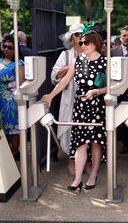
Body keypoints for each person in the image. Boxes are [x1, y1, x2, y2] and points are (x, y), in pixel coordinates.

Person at [42, 22, 107, 193]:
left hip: (97, 106)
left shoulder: (105, 61)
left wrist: (96, 91)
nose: (82, 45)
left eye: (86, 42)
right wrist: (50, 96)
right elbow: (64, 81)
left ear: (95, 43)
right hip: (80, 106)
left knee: (95, 143)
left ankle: (93, 174)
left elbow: (113, 87)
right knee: (80, 144)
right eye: (81, 42)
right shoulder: (77, 61)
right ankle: (77, 179)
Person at [50, 23, 83, 175]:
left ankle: (86, 160)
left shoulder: (90, 52)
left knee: (85, 128)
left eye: (82, 34)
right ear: (72, 38)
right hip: (69, 97)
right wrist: (71, 66)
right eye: (77, 35)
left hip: (87, 98)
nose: (80, 37)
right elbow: (54, 76)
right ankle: (72, 160)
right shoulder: (65, 55)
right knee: (69, 127)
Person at [0, 34, 25, 160]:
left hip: (11, 101)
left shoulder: (19, 63)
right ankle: (6, 153)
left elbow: (21, 83)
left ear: (15, 49)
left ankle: (14, 153)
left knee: (14, 128)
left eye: (9, 47)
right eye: (4, 46)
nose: (6, 49)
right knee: (3, 128)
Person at [111, 25, 128, 154]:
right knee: (119, 116)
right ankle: (126, 143)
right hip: (118, 89)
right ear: (120, 37)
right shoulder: (113, 51)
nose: (126, 38)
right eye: (124, 35)